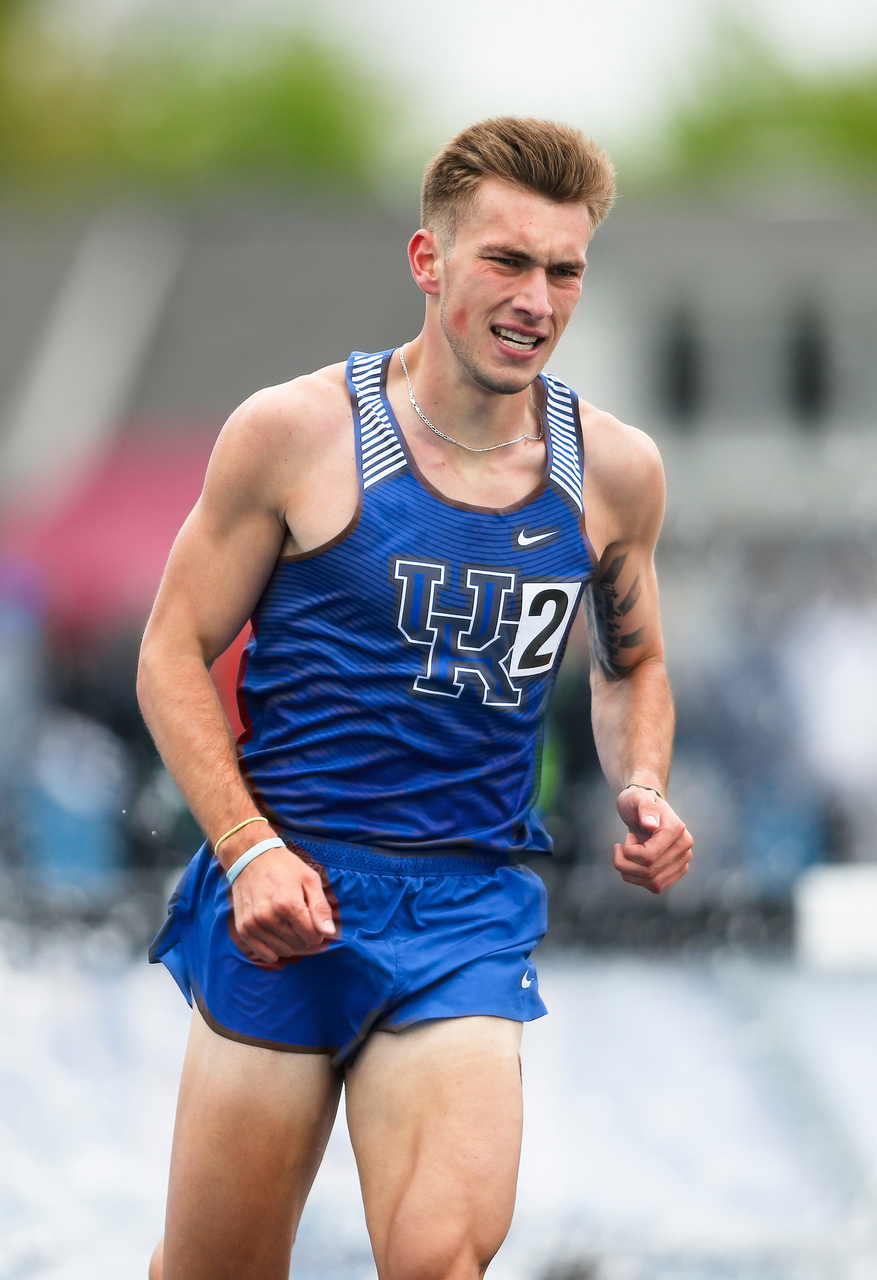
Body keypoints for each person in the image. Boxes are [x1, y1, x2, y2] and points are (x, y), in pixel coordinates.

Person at [138, 116, 693, 1280]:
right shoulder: (295, 434)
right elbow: (170, 651)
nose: (536, 298)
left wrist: (642, 782)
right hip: (286, 894)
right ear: (428, 260)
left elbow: (631, 660)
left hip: (464, 908)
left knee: (441, 1260)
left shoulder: (615, 470)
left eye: (564, 269)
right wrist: (245, 849)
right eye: (506, 260)